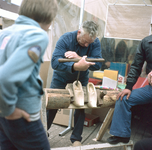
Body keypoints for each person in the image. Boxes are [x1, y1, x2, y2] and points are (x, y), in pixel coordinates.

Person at [0, 0, 57, 150]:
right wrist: (10, 111)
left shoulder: (4, 33)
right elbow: (4, 77)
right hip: (21, 115)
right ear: (50, 19)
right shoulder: (37, 35)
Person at [47, 21, 102, 146]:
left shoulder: (95, 42)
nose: (87, 45)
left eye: (89, 43)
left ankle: (76, 139)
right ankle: (44, 130)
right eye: (84, 41)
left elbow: (98, 64)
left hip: (81, 78)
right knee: (52, 104)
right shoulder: (65, 39)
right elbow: (55, 62)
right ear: (79, 33)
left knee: (81, 106)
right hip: (60, 77)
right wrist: (75, 66)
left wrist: (78, 57)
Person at [107, 34, 152, 144]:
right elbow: (136, 65)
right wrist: (128, 87)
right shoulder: (146, 42)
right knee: (123, 98)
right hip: (150, 89)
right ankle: (121, 134)